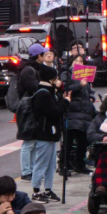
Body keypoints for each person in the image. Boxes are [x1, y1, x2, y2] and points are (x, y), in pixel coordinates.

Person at [30, 65, 70, 203]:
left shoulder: (49, 91)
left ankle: (48, 189)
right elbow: (54, 112)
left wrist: (60, 94)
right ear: (51, 79)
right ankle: (36, 191)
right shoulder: (43, 94)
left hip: (51, 134)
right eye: (56, 78)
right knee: (41, 163)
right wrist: (65, 102)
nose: (58, 80)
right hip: (44, 133)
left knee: (51, 164)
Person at [17, 44, 49, 181]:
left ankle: (32, 169)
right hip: (28, 110)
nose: (45, 56)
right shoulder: (28, 71)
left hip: (32, 109)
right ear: (38, 56)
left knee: (34, 141)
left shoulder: (33, 69)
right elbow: (35, 88)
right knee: (28, 142)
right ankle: (26, 172)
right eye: (43, 54)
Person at [62, 56, 97, 174]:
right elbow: (65, 89)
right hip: (73, 112)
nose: (78, 63)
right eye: (76, 61)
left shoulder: (85, 76)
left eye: (81, 61)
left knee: (83, 141)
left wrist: (91, 97)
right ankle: (64, 165)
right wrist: (79, 85)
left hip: (85, 113)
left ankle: (80, 164)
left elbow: (89, 91)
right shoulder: (67, 73)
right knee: (69, 142)